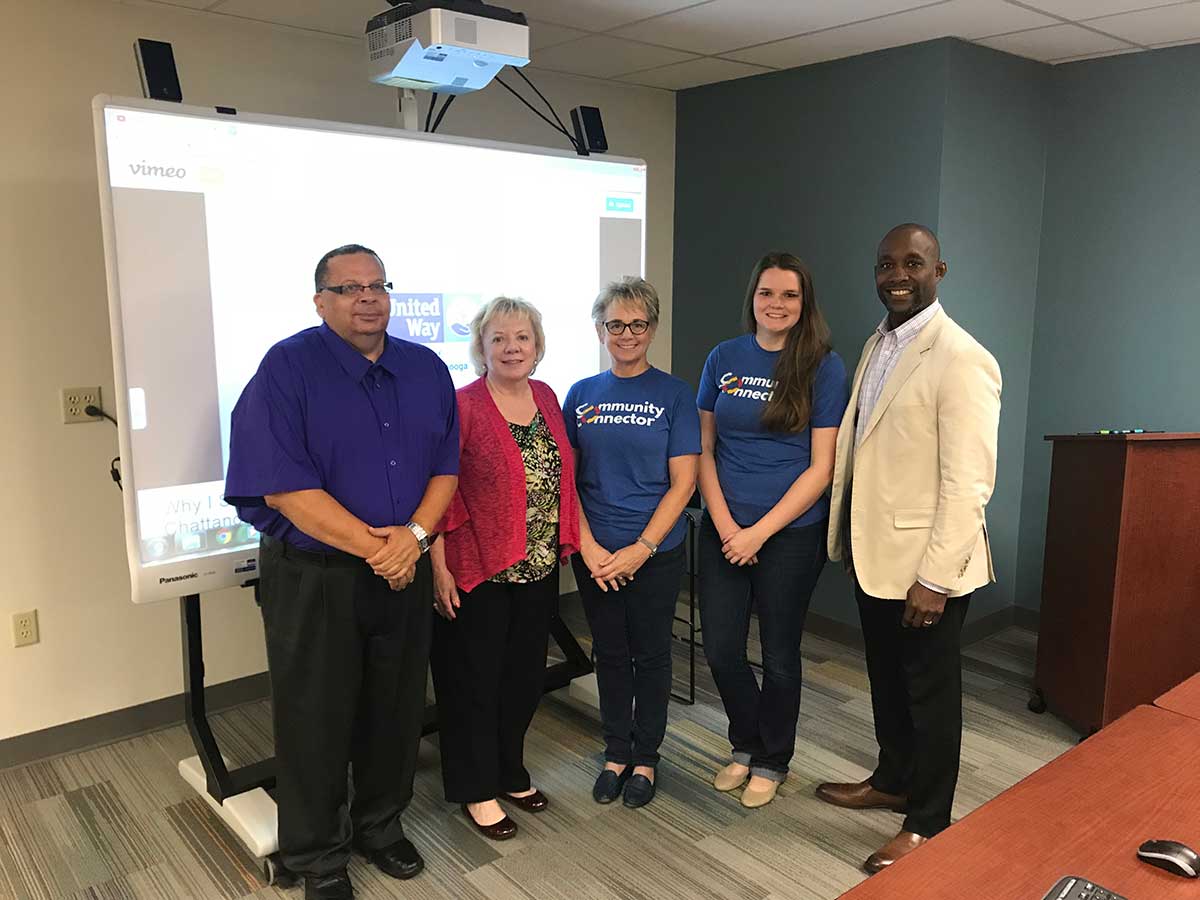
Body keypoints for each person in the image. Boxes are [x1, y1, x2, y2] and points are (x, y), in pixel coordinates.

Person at [224, 244, 459, 900]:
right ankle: (317, 856)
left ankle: (379, 826)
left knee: (395, 708)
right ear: (321, 300)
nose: (367, 298)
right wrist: (381, 549)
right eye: (350, 287)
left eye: (378, 285)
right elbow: (283, 490)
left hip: (402, 570)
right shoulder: (288, 368)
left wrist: (412, 539)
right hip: (317, 578)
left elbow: (447, 467)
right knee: (315, 718)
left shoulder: (424, 368)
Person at [817, 224, 1001, 874]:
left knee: (929, 695)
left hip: (927, 570)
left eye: (913, 263)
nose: (898, 273)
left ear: (939, 270)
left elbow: (967, 482)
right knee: (889, 685)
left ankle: (927, 822)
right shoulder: (879, 342)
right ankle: (892, 779)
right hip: (875, 558)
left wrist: (935, 578)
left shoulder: (962, 357)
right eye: (887, 263)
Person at [697, 252, 849, 809]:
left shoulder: (824, 367)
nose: (776, 305)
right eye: (767, 293)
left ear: (803, 303)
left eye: (789, 295)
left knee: (779, 654)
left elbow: (822, 467)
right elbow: (705, 450)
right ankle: (746, 743)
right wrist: (725, 524)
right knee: (721, 648)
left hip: (788, 533)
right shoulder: (723, 358)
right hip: (724, 527)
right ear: (752, 298)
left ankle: (772, 758)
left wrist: (758, 533)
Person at [430, 297, 580, 841]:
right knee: (473, 683)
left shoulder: (546, 396)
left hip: (538, 566)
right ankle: (475, 787)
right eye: (499, 338)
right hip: (478, 569)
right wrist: (439, 566)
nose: (512, 347)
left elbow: (560, 473)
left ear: (537, 346)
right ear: (481, 349)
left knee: (521, 680)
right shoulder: (463, 405)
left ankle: (509, 769)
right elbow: (440, 489)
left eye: (522, 337)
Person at [565, 277, 700, 809]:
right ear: (600, 329)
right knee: (611, 653)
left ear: (652, 328)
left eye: (637, 324)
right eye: (615, 324)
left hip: (655, 553)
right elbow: (566, 481)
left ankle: (647, 757)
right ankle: (616, 752)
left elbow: (684, 482)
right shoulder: (580, 393)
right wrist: (589, 546)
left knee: (651, 654)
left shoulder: (674, 393)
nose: (626, 333)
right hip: (595, 552)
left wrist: (642, 547)